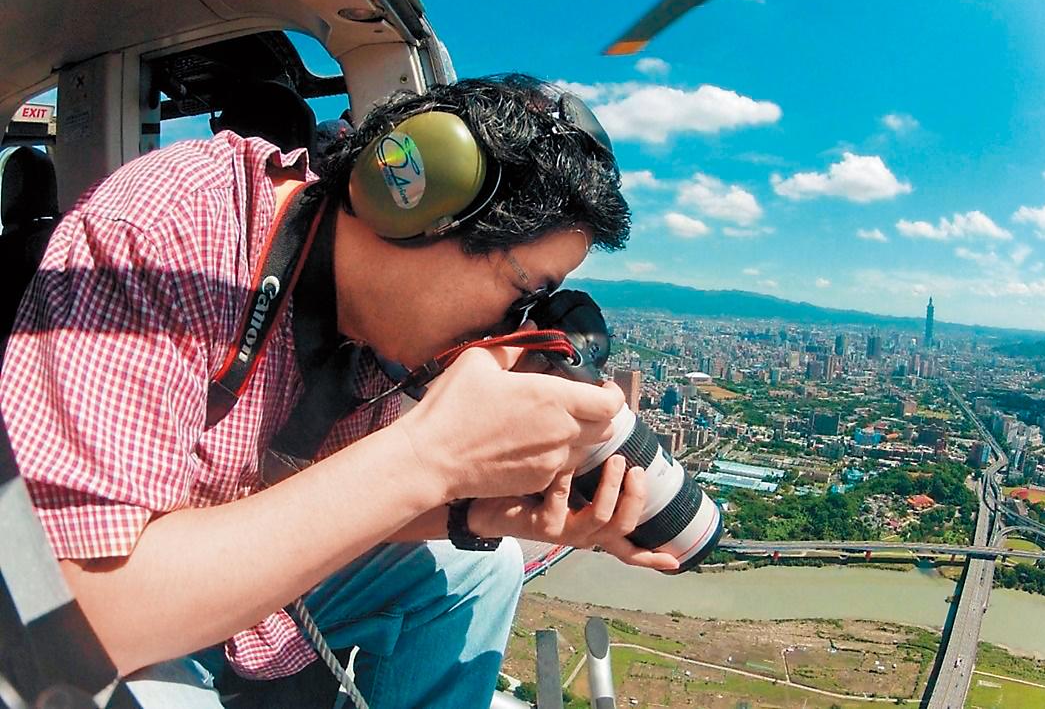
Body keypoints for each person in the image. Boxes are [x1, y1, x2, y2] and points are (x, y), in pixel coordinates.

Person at [0, 74, 678, 709]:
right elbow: (66, 613)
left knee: (482, 567)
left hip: (236, 586)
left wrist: (473, 515)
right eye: (523, 293)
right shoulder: (177, 226)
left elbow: (317, 502)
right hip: (90, 614)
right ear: (415, 200)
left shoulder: (388, 334)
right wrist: (428, 455)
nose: (511, 333)